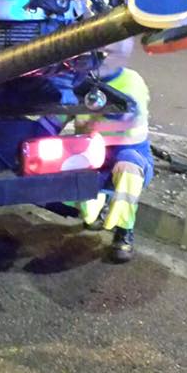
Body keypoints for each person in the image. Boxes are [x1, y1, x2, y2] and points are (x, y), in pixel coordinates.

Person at [75, 66, 154, 263]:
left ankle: (124, 230)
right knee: (88, 216)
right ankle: (97, 210)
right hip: (94, 157)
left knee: (129, 168)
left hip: (129, 154)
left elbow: (132, 117)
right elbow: (57, 116)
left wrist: (100, 113)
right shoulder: (78, 81)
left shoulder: (131, 79)